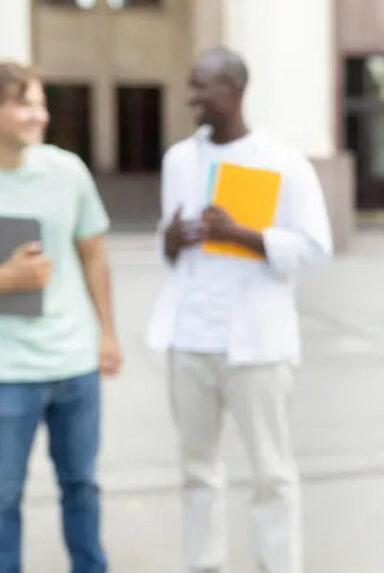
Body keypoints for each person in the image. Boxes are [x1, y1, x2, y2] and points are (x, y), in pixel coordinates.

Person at [146, 47, 332, 573]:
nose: (192, 98)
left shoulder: (282, 161)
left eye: (202, 86)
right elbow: (166, 244)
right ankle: (203, 565)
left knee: (272, 474)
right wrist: (171, 239)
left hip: (257, 343)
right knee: (196, 471)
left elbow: (316, 247)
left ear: (234, 88)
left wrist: (244, 236)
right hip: (188, 340)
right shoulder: (179, 160)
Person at [0, 62, 121, 573]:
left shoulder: (67, 171)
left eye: (41, 103)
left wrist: (108, 334)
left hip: (74, 364)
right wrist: (6, 280)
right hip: (8, 373)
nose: (39, 115)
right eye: (25, 103)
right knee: (3, 499)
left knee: (82, 486)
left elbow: (93, 254)